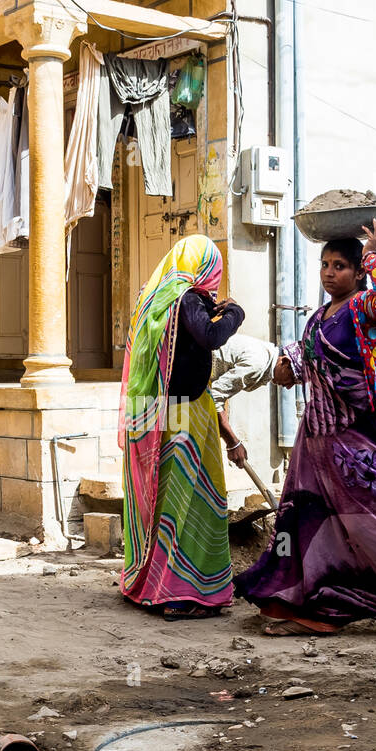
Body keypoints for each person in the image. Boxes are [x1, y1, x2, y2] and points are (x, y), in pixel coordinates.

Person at [235, 223, 376, 638]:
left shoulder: (364, 310)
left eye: (340, 266)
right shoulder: (319, 316)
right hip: (316, 443)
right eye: (325, 265)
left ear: (357, 273)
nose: (329, 273)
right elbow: (305, 360)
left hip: (358, 443)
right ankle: (313, 601)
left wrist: (372, 252)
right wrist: (286, 368)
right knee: (307, 522)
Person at [121, 234, 244, 621]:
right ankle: (178, 591)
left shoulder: (152, 296)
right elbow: (208, 336)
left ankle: (148, 581)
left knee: (164, 496)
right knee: (189, 500)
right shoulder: (184, 297)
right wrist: (235, 313)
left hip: (160, 409)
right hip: (186, 413)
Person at [210, 334, 279, 467]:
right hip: (180, 383)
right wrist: (233, 442)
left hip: (184, 383)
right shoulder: (258, 364)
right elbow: (215, 396)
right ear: (285, 362)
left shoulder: (262, 355)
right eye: (293, 378)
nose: (289, 386)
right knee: (176, 438)